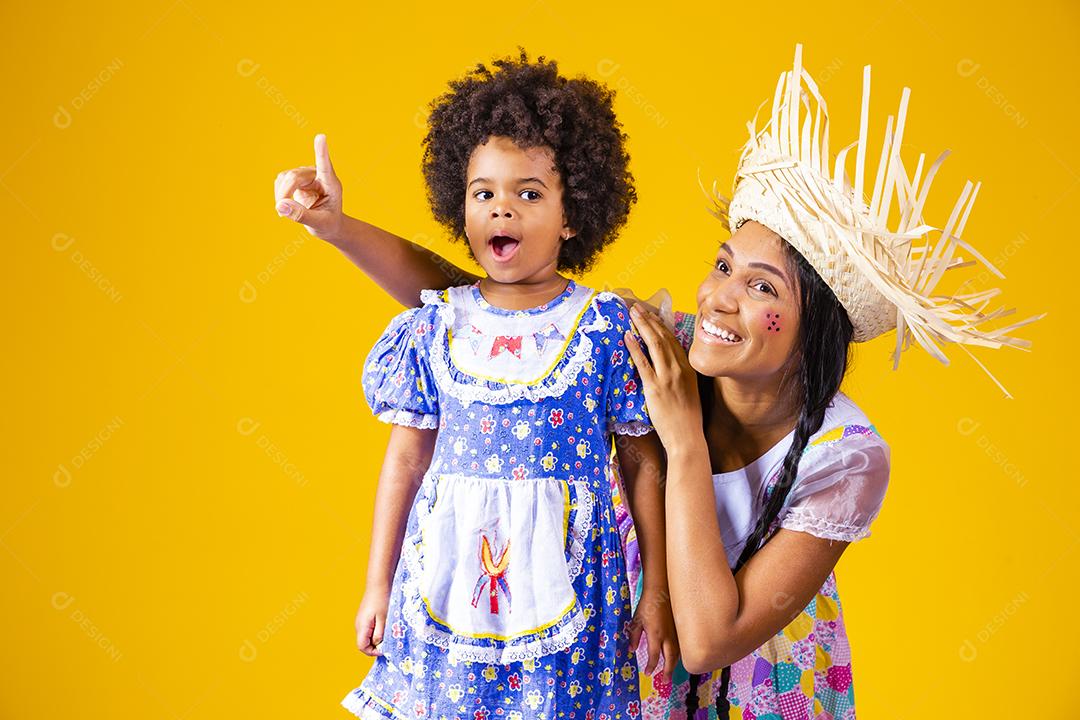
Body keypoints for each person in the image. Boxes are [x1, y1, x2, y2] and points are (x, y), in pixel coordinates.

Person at [276, 46, 1039, 718]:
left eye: (764, 288)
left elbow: (709, 641)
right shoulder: (662, 351)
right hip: (628, 657)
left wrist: (679, 434)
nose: (720, 299)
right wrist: (340, 228)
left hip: (760, 683)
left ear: (818, 327)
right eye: (722, 266)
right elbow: (484, 306)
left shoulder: (846, 456)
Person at [275, 51, 679, 720]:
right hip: (449, 581)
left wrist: (656, 592)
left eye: (529, 193)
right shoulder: (436, 326)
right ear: (458, 204)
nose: (502, 210)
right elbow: (405, 458)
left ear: (573, 213)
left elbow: (641, 461)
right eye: (483, 192)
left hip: (573, 586)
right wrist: (377, 584)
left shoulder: (605, 327)